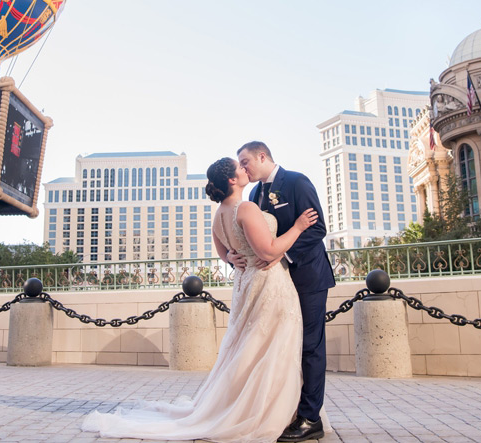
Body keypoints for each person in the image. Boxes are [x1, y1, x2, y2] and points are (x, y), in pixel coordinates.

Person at [83, 155, 318, 443]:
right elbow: (268, 252)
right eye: (240, 167)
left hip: (245, 285)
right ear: (232, 179)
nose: (245, 170)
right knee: (270, 349)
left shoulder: (219, 214)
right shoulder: (245, 207)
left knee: (251, 348)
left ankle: (257, 407)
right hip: (268, 284)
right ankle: (265, 413)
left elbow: (224, 252)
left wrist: (233, 256)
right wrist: (298, 227)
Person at [235, 141, 336, 443]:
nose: (242, 169)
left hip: (308, 276)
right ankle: (284, 412)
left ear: (262, 156)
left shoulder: (296, 181)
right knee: (281, 346)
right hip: (275, 284)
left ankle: (310, 418)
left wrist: (283, 255)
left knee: (310, 347)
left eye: (245, 162)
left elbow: (317, 229)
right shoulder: (254, 194)